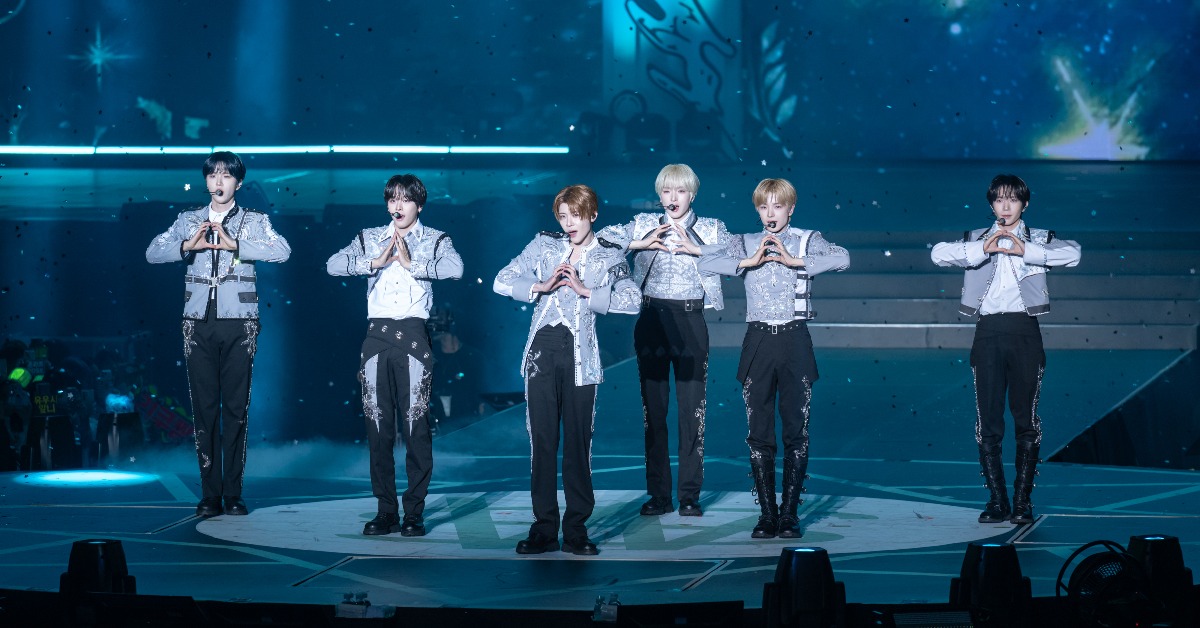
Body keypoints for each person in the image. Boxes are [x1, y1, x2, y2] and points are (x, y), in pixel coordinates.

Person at [494, 184, 641, 556]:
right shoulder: (544, 245)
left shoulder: (609, 254)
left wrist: (586, 290)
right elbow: (502, 279)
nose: (569, 223)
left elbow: (632, 300)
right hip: (541, 353)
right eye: (563, 216)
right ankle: (544, 528)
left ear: (592, 214)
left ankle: (576, 530)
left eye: (576, 215)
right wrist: (541, 285)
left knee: (578, 443)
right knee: (542, 443)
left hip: (580, 358)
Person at [699, 178, 849, 538]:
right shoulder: (744, 241)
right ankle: (767, 514)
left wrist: (795, 260)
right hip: (758, 340)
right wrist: (748, 261)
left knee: (796, 430)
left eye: (777, 206)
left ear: (790, 209)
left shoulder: (807, 239)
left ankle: (789, 514)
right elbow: (705, 262)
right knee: (758, 432)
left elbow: (843, 258)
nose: (770, 213)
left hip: (795, 339)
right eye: (764, 206)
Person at [146, 151, 291, 517]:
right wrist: (187, 246)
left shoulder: (253, 220)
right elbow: (152, 252)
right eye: (213, 175)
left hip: (239, 321)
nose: (219, 181)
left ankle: (233, 493)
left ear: (238, 183)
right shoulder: (189, 220)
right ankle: (210, 494)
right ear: (206, 180)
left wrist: (235, 245)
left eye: (226, 175)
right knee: (204, 410)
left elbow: (282, 251)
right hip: (197, 322)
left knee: (236, 410)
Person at [931, 174, 1081, 525]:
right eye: (999, 199)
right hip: (988, 333)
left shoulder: (1039, 238)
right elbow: (938, 254)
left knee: (1025, 418)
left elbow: (1073, 254)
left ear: (1024, 204)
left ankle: (1022, 501)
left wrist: (1024, 249)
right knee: (989, 419)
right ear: (991, 204)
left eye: (1012, 199)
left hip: (1025, 331)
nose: (1006, 206)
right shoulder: (975, 238)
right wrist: (984, 248)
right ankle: (997, 500)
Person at [326, 174, 463, 536]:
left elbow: (456, 269)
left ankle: (414, 512)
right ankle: (385, 510)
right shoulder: (369, 237)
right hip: (376, 336)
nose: (397, 206)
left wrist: (411, 262)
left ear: (419, 204)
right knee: (378, 428)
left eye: (405, 199)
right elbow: (333, 264)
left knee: (416, 426)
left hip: (414, 335)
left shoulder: (436, 239)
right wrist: (374, 262)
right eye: (392, 199)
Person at [595, 164, 731, 518]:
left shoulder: (711, 228)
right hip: (651, 319)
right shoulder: (643, 223)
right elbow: (601, 240)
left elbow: (736, 260)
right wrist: (640, 243)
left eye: (680, 191)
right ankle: (659, 495)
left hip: (690, 321)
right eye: (666, 191)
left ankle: (689, 495)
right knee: (653, 413)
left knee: (691, 412)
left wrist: (697, 248)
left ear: (692, 194)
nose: (673, 198)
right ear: (659, 195)